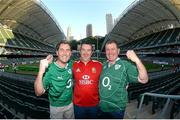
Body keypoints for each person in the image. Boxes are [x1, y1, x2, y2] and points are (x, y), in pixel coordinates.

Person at [99, 40, 148, 119]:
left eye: (113, 49)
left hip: (116, 109)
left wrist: (137, 60)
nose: (110, 52)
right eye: (107, 49)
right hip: (102, 107)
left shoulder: (125, 65)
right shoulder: (103, 65)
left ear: (118, 51)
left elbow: (144, 79)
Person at [34, 41, 74, 119]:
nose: (65, 53)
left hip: (70, 104)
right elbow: (38, 92)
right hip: (56, 108)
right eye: (62, 50)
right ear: (57, 52)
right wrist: (41, 71)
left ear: (70, 53)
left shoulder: (71, 64)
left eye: (67, 50)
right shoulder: (50, 69)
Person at [72, 41, 102, 119]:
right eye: (83, 50)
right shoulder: (73, 65)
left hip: (94, 105)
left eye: (88, 50)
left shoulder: (99, 65)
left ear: (92, 52)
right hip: (78, 105)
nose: (86, 52)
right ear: (80, 51)